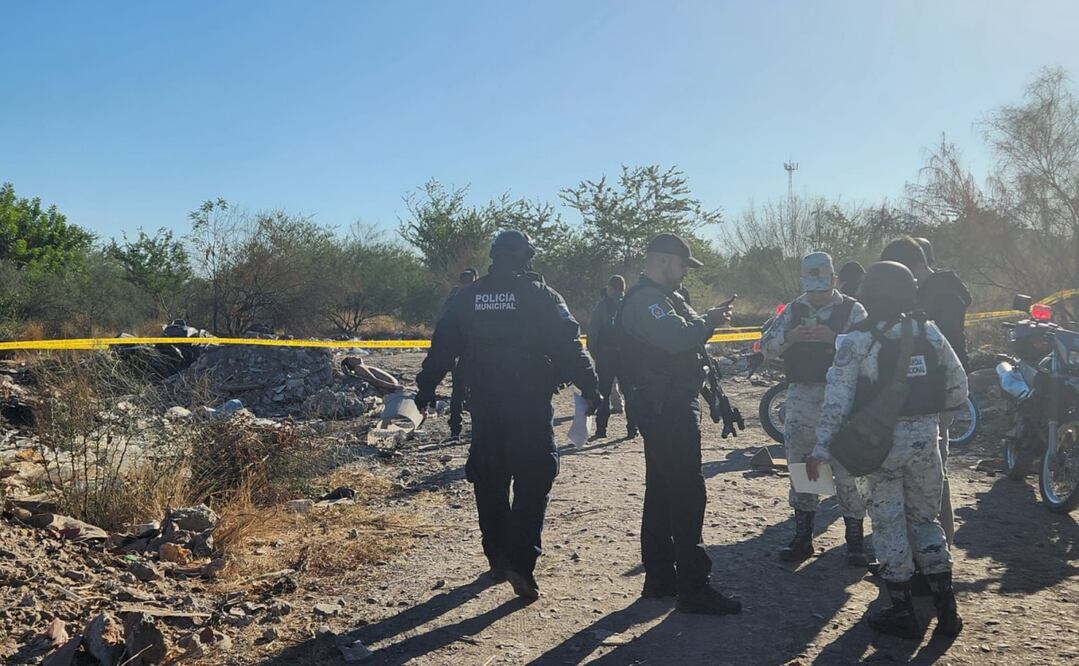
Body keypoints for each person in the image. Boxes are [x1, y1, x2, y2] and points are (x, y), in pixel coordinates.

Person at [415, 231, 600, 601]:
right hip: (528, 402)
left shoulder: (468, 297)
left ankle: (497, 556)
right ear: (526, 257)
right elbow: (568, 346)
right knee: (536, 476)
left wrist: (425, 388)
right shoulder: (540, 295)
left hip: (484, 403)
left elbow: (443, 345)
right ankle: (519, 559)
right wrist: (592, 387)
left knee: (489, 476)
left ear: (494, 257)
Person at [806, 261, 967, 638]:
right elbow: (958, 388)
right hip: (926, 442)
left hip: (878, 446)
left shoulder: (857, 342)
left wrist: (820, 450)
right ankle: (947, 610)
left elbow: (836, 403)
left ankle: (901, 610)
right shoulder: (930, 332)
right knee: (925, 522)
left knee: (890, 524)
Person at [616, 233, 742, 616]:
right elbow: (676, 339)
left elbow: (685, 341)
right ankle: (692, 585)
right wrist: (710, 320)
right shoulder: (646, 301)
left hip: (667, 405)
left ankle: (660, 578)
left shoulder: (665, 299)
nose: (686, 273)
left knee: (662, 490)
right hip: (665, 408)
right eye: (683, 265)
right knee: (686, 493)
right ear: (664, 261)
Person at [760, 253, 869, 565]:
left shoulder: (852, 308)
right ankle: (803, 537)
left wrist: (834, 338)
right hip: (802, 400)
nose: (817, 297)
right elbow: (766, 346)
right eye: (812, 291)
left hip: (844, 399)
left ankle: (854, 541)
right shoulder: (794, 309)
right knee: (804, 467)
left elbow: (871, 346)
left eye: (823, 290)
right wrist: (790, 336)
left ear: (834, 281)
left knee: (847, 470)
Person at [880, 237, 971, 544]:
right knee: (925, 471)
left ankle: (938, 547)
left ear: (916, 267)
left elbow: (946, 349)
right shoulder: (931, 291)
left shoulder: (943, 295)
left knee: (933, 471)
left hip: (936, 396)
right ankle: (923, 547)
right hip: (922, 395)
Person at [588, 275, 637, 440]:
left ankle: (601, 430)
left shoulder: (602, 306)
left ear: (610, 287)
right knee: (630, 394)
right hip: (627, 356)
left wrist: (594, 353)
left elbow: (593, 331)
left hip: (606, 355)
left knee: (603, 393)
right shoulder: (630, 304)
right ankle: (632, 429)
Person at [445, 268, 478, 438]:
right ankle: (468, 427)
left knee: (458, 391)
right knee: (472, 389)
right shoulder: (475, 296)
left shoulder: (453, 298)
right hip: (470, 351)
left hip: (460, 350)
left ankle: (455, 429)